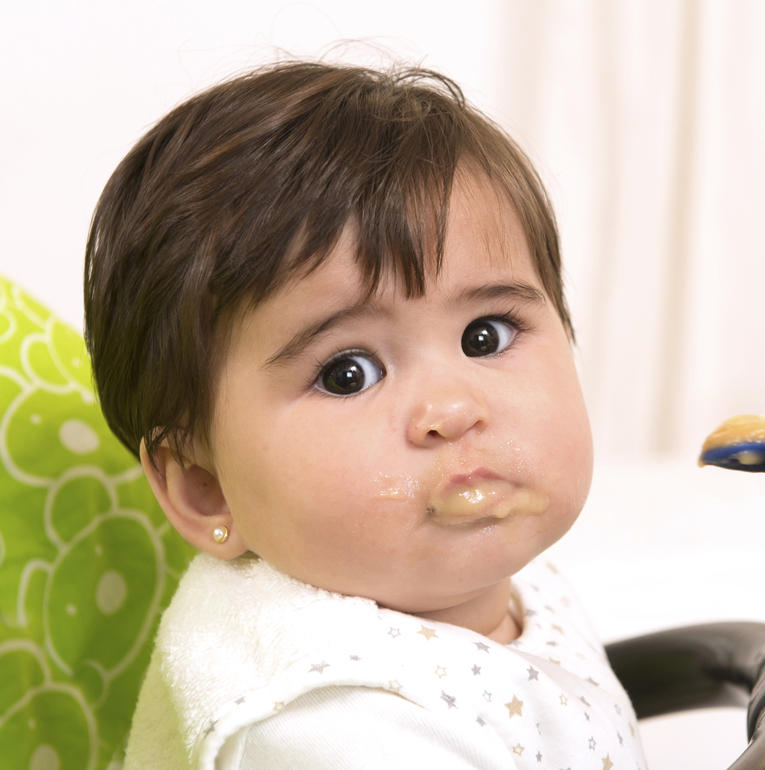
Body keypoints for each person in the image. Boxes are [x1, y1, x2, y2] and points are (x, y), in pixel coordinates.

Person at [84, 61, 646, 768]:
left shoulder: (476, 576)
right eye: (348, 374)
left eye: (486, 335)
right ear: (207, 486)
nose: (452, 408)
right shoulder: (330, 729)